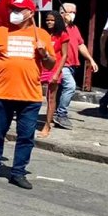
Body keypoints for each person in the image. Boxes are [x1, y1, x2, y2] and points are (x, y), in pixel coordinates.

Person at [0, 0, 56, 188]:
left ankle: (18, 172)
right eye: (13, 9)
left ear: (31, 13)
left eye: (20, 9)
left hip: (30, 96)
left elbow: (50, 64)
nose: (15, 12)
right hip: (1, 94)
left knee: (26, 136)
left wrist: (44, 53)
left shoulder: (42, 35)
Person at [54, 3, 98, 129]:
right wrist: (63, 23)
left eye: (74, 12)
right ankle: (61, 114)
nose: (73, 14)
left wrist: (90, 59)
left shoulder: (74, 28)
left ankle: (55, 113)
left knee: (61, 90)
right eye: (70, 12)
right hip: (62, 64)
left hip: (72, 64)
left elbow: (81, 45)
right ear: (62, 13)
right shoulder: (56, 26)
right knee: (70, 86)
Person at [37, 10, 68, 139]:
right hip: (41, 68)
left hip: (54, 69)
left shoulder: (62, 35)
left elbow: (64, 55)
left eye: (51, 20)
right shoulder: (43, 34)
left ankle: (47, 126)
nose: (49, 22)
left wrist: (57, 72)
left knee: (51, 98)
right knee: (36, 96)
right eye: (47, 20)